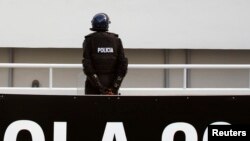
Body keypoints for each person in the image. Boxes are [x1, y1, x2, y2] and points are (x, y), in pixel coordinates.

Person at [82, 13, 128, 95]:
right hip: (112, 86)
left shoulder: (88, 40)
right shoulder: (116, 40)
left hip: (92, 87)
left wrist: (100, 87)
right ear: (107, 24)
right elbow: (123, 66)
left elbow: (87, 67)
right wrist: (114, 87)